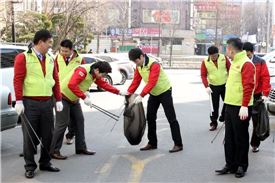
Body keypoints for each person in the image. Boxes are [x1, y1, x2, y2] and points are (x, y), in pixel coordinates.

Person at [50, 62, 127, 159]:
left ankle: (81, 148)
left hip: (74, 99)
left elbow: (104, 84)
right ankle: (54, 151)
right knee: (62, 123)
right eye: (103, 74)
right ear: (97, 70)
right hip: (62, 97)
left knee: (79, 121)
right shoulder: (82, 71)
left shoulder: (94, 74)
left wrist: (119, 92)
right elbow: (71, 85)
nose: (102, 77)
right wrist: (84, 97)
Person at [13, 29, 63, 179]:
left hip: (47, 102)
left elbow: (55, 80)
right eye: (49, 43)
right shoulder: (23, 57)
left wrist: (58, 99)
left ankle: (45, 162)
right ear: (40, 42)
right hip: (30, 103)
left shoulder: (50, 58)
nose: (50, 46)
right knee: (29, 138)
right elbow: (18, 80)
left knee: (49, 135)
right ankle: (30, 166)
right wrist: (19, 100)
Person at [125, 48, 183, 153]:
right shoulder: (138, 66)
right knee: (150, 118)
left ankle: (178, 144)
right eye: (134, 62)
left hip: (165, 91)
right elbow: (136, 81)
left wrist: (141, 95)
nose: (136, 64)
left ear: (141, 56)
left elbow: (152, 82)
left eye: (136, 61)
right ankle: (152, 143)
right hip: (154, 93)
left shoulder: (154, 64)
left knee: (171, 118)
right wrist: (128, 94)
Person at [215, 38, 255, 178]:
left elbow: (248, 86)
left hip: (241, 107)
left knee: (241, 138)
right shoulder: (234, 62)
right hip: (230, 105)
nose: (226, 52)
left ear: (231, 49)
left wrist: (244, 105)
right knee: (229, 138)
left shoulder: (246, 64)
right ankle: (230, 164)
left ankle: (241, 166)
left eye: (227, 49)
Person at [55, 39, 86, 147]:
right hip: (60, 93)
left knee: (79, 120)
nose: (63, 53)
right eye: (61, 50)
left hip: (74, 94)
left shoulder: (80, 59)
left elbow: (83, 77)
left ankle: (79, 145)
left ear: (72, 50)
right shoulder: (57, 58)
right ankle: (54, 149)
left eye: (66, 51)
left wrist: (84, 93)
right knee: (64, 120)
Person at [243, 42, 271, 153]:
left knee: (256, 122)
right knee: (243, 122)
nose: (247, 57)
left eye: (248, 55)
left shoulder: (260, 62)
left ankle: (255, 143)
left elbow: (265, 78)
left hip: (256, 96)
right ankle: (242, 144)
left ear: (252, 52)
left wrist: (265, 94)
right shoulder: (240, 62)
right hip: (244, 96)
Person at [201, 46, 231, 131]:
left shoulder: (224, 58)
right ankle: (213, 123)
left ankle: (223, 116)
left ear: (218, 53)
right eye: (212, 56)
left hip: (225, 85)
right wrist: (206, 86)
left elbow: (230, 69)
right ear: (209, 55)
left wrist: (230, 81)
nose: (213, 57)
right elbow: (203, 75)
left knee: (228, 102)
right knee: (214, 106)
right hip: (213, 86)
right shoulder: (205, 62)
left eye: (215, 55)